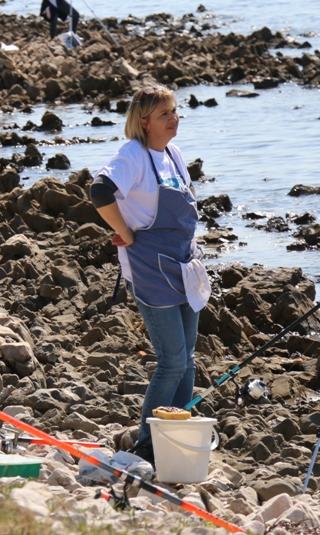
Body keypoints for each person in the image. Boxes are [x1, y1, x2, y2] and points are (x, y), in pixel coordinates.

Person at [90, 85, 209, 465]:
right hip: (150, 270)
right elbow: (100, 190)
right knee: (171, 360)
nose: (174, 119)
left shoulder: (173, 153)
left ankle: (176, 440)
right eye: (165, 114)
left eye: (175, 112)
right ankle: (146, 446)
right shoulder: (133, 156)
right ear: (144, 122)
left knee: (188, 359)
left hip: (182, 263)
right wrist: (124, 232)